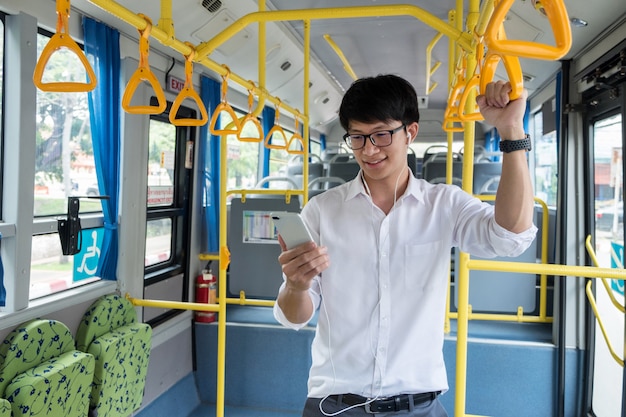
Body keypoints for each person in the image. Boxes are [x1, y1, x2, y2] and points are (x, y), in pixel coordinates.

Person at [273, 74, 537, 417]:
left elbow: (511, 236)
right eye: (357, 137)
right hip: (336, 404)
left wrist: (511, 130)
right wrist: (295, 287)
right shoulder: (321, 211)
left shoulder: (444, 205)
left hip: (419, 405)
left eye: (382, 134)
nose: (369, 149)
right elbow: (294, 319)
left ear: (410, 132)